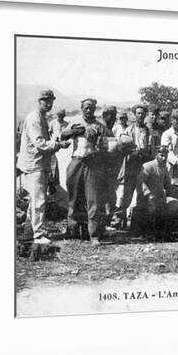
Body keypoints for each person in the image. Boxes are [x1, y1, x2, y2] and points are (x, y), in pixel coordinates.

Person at [16, 90, 70, 245]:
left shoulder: (41, 117)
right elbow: (40, 143)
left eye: (51, 100)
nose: (49, 103)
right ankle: (38, 235)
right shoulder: (35, 119)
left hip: (39, 163)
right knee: (38, 200)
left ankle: (30, 231)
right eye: (46, 100)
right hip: (35, 164)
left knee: (35, 200)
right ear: (39, 101)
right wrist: (59, 145)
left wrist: (58, 141)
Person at [64, 98, 114, 246]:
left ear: (94, 109)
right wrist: (74, 131)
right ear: (81, 108)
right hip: (76, 160)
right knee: (73, 197)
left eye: (91, 108)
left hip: (92, 163)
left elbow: (111, 144)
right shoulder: (75, 121)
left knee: (93, 199)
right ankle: (73, 230)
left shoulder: (100, 125)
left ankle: (94, 235)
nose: (88, 110)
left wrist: (99, 141)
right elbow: (62, 136)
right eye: (86, 108)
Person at [115, 104, 153, 227]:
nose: (140, 116)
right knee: (128, 191)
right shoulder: (129, 130)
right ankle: (122, 221)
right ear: (134, 115)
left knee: (143, 191)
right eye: (138, 113)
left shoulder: (148, 131)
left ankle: (139, 223)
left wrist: (144, 153)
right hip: (131, 163)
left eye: (143, 113)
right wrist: (131, 151)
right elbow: (122, 146)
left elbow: (151, 149)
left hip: (144, 163)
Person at [132, 146, 178, 240]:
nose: (164, 158)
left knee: (171, 205)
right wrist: (149, 194)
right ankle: (149, 234)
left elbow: (167, 183)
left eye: (165, 156)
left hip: (159, 197)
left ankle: (162, 234)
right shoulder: (148, 166)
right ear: (156, 155)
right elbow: (140, 182)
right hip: (145, 197)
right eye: (161, 155)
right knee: (152, 208)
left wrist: (174, 191)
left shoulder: (164, 168)